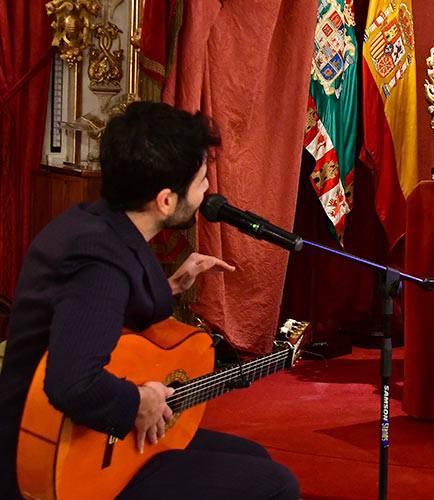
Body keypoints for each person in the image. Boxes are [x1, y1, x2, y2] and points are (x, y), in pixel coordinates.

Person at [0, 101, 300, 499]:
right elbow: (71, 384)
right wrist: (139, 401)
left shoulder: (95, 223)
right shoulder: (98, 262)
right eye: (200, 182)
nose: (209, 189)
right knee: (276, 486)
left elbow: (95, 313)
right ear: (165, 200)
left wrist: (173, 285)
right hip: (53, 454)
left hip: (82, 433)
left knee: (255, 457)